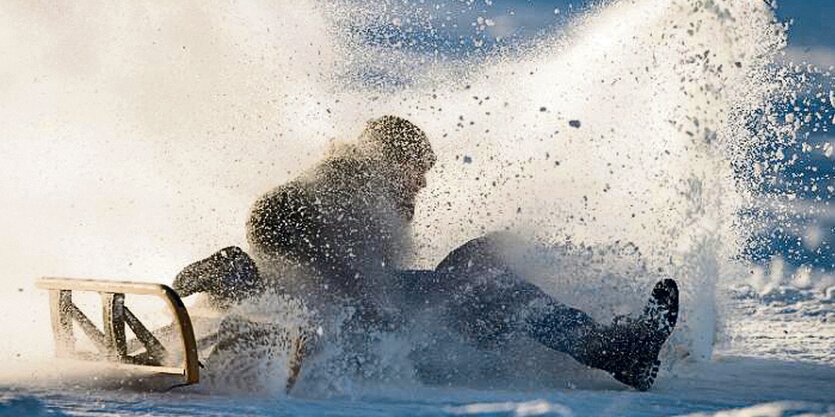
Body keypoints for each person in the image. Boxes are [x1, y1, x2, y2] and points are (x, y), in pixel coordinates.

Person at [172, 115, 679, 391]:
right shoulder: (356, 194)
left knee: (480, 257)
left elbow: (284, 231)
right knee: (492, 283)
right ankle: (612, 350)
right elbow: (362, 291)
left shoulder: (335, 186)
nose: (421, 185)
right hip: (362, 327)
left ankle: (234, 279)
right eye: (418, 172)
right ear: (396, 163)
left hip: (326, 302)